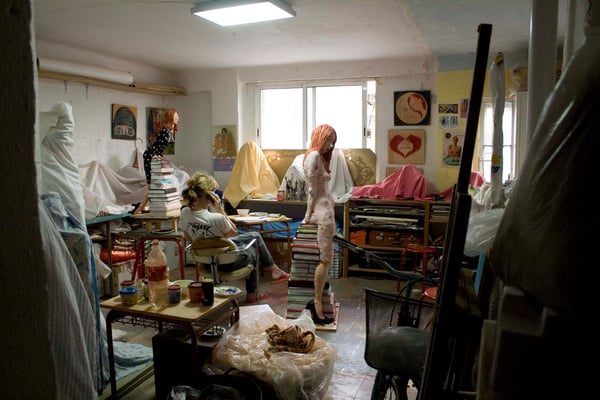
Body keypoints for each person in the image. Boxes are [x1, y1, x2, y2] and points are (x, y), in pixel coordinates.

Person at [180, 173, 289, 303]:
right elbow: (233, 233)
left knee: (254, 235)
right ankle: (253, 293)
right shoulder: (217, 218)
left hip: (205, 263)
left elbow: (189, 239)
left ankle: (272, 268)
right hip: (226, 263)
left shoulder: (185, 212)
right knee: (253, 248)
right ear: (210, 195)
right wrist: (220, 209)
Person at [303, 124, 337, 325]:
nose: (331, 145)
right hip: (322, 215)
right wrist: (307, 216)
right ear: (320, 137)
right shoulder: (314, 156)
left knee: (326, 260)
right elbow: (311, 191)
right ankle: (317, 303)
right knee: (325, 260)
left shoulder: (318, 157)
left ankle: (319, 301)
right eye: (328, 141)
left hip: (326, 212)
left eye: (333, 142)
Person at [134, 109, 178, 214]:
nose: (178, 118)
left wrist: (160, 155)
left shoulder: (169, 130)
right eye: (176, 116)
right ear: (170, 117)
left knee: (154, 183)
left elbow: (161, 146)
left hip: (155, 155)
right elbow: (158, 145)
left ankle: (145, 205)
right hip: (150, 155)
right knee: (150, 183)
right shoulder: (165, 131)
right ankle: (142, 206)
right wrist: (156, 154)